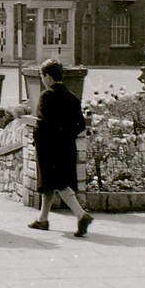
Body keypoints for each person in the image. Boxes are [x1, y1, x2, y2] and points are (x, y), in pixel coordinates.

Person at [27, 58, 94, 237]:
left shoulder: (46, 95)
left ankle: (81, 215)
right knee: (50, 184)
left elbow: (41, 123)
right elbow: (80, 124)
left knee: (58, 183)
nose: (42, 79)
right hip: (66, 147)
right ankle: (43, 219)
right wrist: (66, 135)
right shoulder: (72, 97)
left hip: (49, 147)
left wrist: (38, 139)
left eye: (42, 76)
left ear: (48, 77)